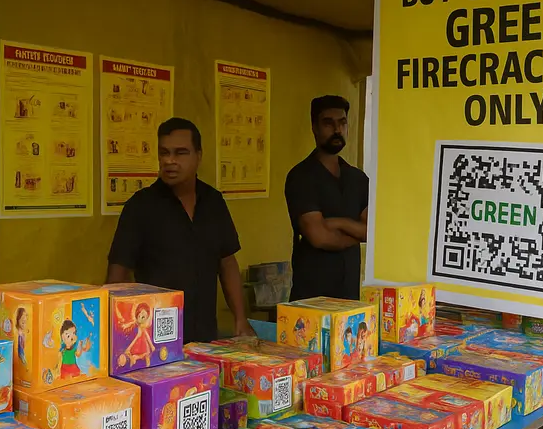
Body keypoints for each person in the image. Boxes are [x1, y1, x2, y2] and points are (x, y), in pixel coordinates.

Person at [107, 117, 253, 342]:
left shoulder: (213, 202)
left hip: (205, 336)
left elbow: (227, 262)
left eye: (181, 153)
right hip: (154, 338)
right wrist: (114, 334)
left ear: (198, 156)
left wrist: (240, 318)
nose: (170, 160)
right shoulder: (140, 207)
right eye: (164, 153)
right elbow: (118, 274)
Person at [284, 95, 369, 300]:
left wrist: (336, 223)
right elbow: (320, 237)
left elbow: (372, 232)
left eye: (342, 123)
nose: (337, 130)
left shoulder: (358, 178)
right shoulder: (301, 177)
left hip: (349, 297)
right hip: (312, 298)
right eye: (328, 123)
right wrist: (356, 233)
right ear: (314, 127)